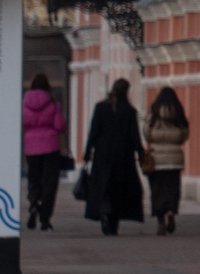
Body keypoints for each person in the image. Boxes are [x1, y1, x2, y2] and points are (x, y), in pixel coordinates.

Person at [81, 78, 147, 236]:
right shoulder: (129, 111)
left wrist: (87, 153)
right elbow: (135, 136)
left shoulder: (101, 107)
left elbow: (94, 132)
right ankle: (113, 221)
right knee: (118, 189)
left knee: (104, 185)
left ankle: (104, 211)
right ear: (127, 91)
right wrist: (141, 153)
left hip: (102, 154)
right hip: (123, 155)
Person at [22, 73, 67, 232]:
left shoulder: (25, 102)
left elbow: (23, 122)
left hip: (31, 147)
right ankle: (45, 218)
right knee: (50, 182)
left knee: (34, 178)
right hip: (50, 147)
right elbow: (59, 126)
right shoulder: (53, 103)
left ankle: (34, 203)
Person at [144, 87, 190, 236]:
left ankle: (160, 222)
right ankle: (171, 211)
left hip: (156, 159)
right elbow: (184, 136)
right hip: (175, 159)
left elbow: (147, 134)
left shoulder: (153, 115)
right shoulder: (179, 115)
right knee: (172, 188)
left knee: (157, 190)